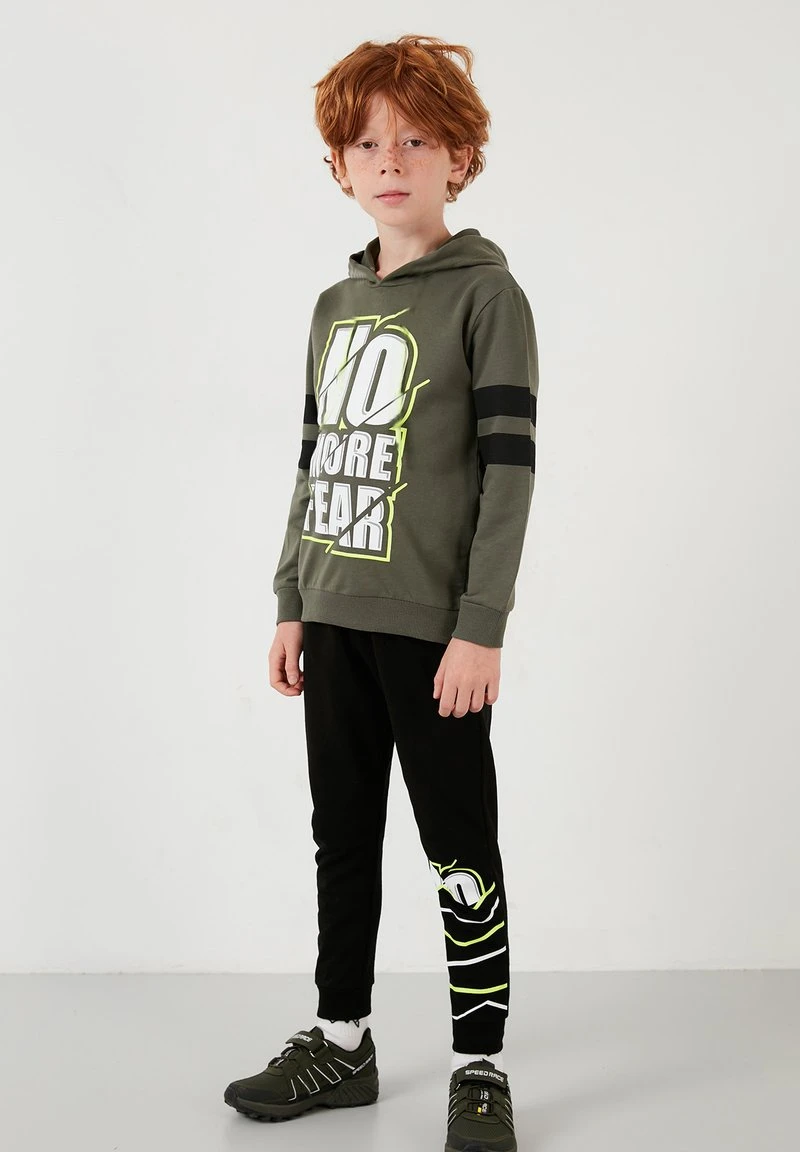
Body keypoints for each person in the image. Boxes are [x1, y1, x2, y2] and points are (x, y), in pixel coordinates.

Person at [224, 33, 538, 1152]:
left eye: (414, 139)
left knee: (459, 847)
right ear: (339, 167)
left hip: (434, 632)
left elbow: (507, 472)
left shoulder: (488, 297)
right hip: (335, 616)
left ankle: (479, 1065)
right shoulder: (334, 305)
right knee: (342, 838)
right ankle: (341, 1039)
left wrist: (480, 627)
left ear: (461, 156)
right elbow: (315, 464)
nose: (389, 159)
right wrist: (290, 597)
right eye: (365, 144)